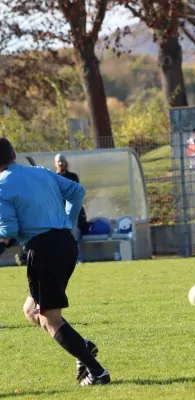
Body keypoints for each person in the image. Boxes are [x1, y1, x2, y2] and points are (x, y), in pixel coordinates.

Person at [0, 138, 110, 386]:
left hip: (44, 249)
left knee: (49, 318)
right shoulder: (40, 171)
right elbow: (77, 192)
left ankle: (98, 372)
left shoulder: (2, 185)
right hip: (65, 244)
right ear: (15, 153)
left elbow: (8, 229)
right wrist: (68, 223)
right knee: (31, 310)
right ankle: (82, 348)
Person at [55, 153, 89, 263]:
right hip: (59, 213)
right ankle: (63, 260)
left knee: (73, 235)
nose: (61, 163)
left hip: (72, 211)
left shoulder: (73, 177)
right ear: (55, 163)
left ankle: (77, 258)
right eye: (59, 161)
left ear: (66, 162)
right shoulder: (54, 178)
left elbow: (76, 193)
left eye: (62, 161)